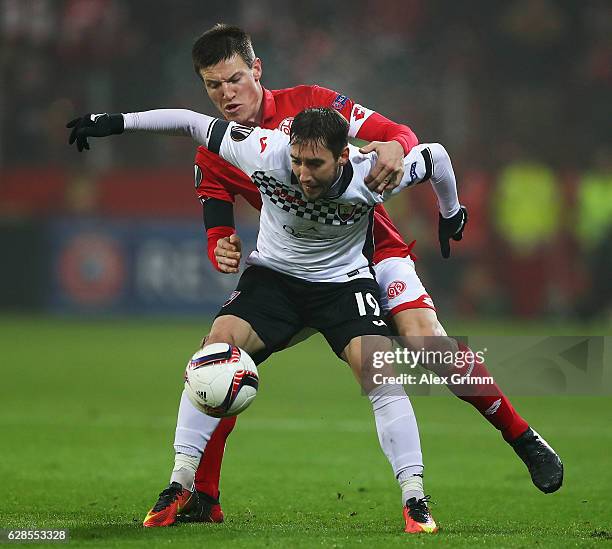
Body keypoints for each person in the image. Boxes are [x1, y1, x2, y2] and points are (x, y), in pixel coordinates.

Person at [67, 23, 563, 527]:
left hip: (369, 249)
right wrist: (221, 243)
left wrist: (407, 158)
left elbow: (406, 141)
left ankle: (521, 437)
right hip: (288, 266)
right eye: (213, 86)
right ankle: (200, 493)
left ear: (256, 70)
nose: (226, 94)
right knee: (219, 359)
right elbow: (214, 211)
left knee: (424, 342)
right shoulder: (228, 149)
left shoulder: (315, 106)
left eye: (234, 79)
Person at [69, 106, 469, 534]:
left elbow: (438, 158)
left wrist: (452, 213)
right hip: (275, 280)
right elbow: (191, 122)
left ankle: (415, 500)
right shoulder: (264, 150)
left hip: (343, 284)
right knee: (215, 348)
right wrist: (115, 122)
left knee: (380, 373)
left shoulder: (374, 172)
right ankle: (180, 483)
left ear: (342, 157)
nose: (303, 174)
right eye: (297, 160)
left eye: (315, 164)